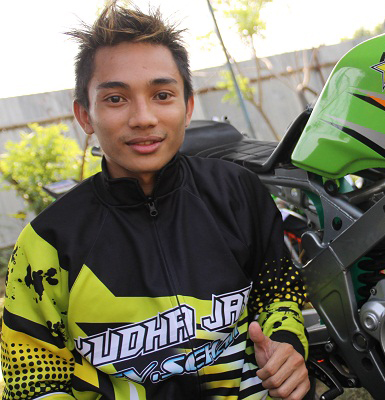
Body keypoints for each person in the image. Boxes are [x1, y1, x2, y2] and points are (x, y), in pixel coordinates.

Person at [1, 4, 309, 399]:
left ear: (188, 107)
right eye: (116, 99)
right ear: (85, 116)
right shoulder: (47, 243)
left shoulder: (239, 192)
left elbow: (278, 293)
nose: (143, 117)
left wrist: (287, 346)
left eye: (162, 95)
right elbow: (34, 381)